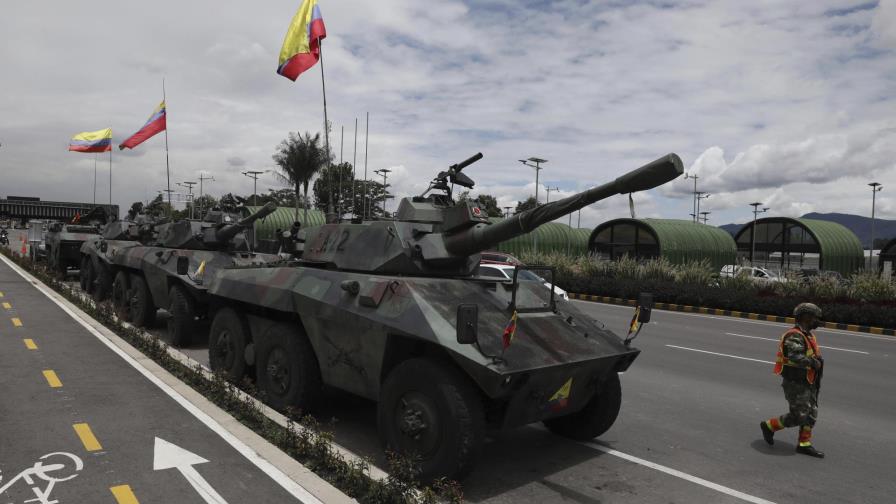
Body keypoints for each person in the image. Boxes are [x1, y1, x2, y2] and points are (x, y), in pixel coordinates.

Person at [760, 302, 825, 458]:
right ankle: (769, 426)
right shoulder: (794, 335)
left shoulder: (808, 335)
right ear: (805, 317)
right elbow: (794, 356)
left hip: (808, 381)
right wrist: (813, 363)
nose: (817, 320)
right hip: (795, 382)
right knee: (798, 416)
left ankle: (804, 444)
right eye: (814, 317)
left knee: (811, 414)